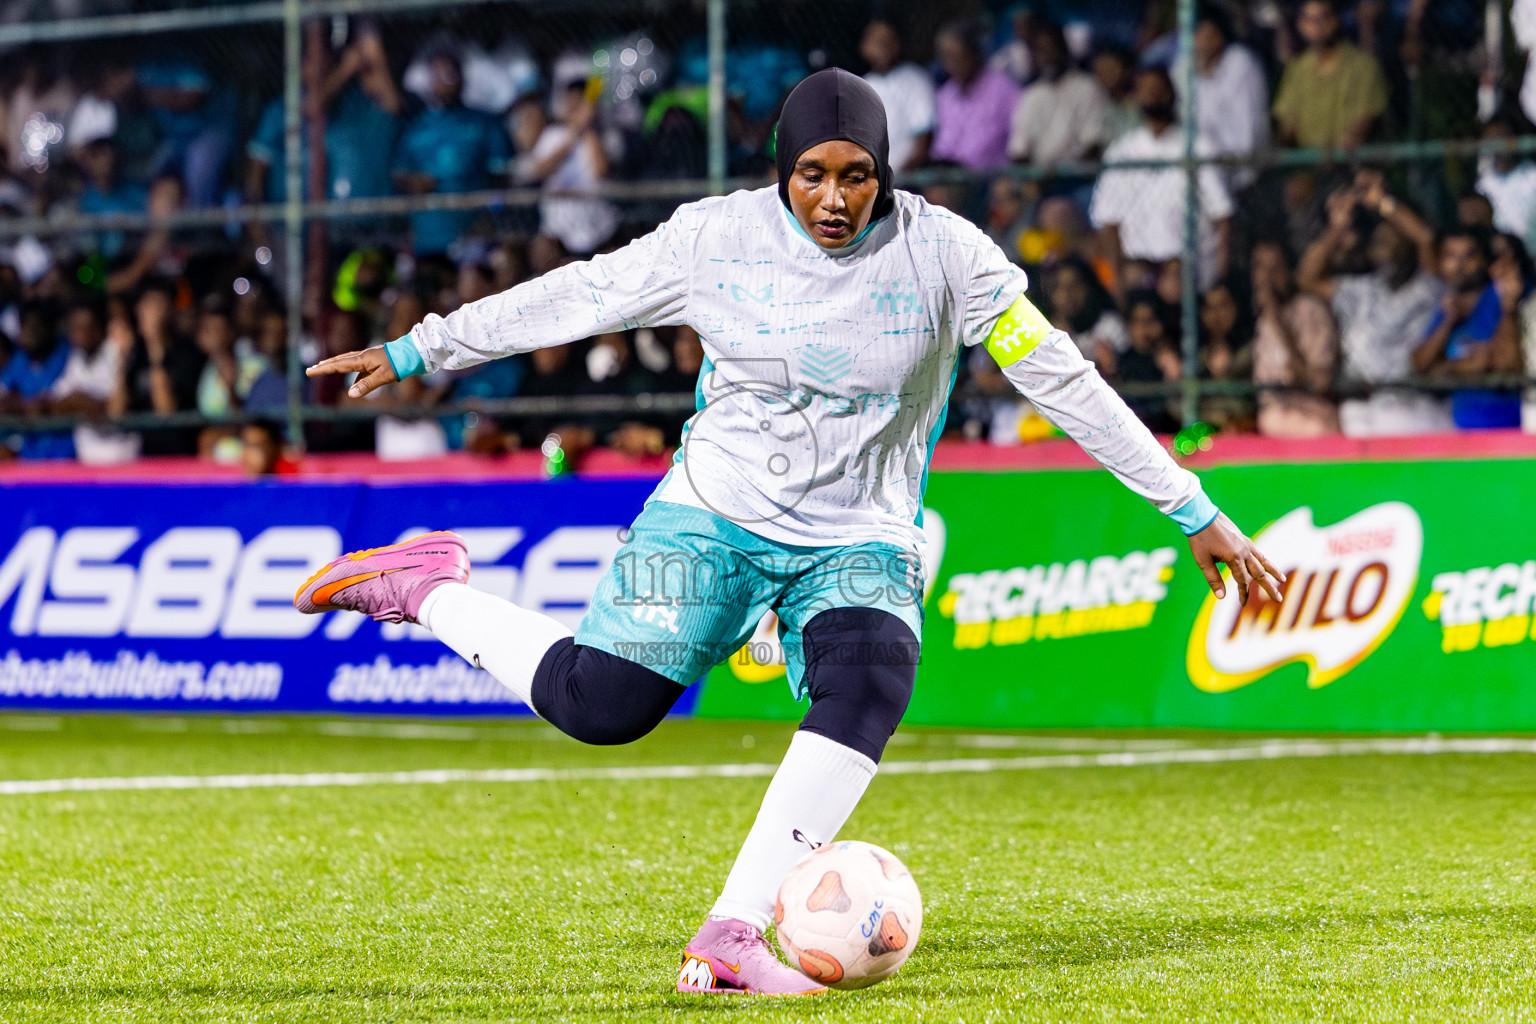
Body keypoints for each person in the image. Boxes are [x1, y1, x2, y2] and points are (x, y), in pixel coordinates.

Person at [296, 69, 1282, 996]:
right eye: (813, 173)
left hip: (859, 533)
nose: (835, 197)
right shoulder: (714, 240)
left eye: (857, 174)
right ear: (784, 171)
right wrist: (422, 346)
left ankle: (731, 932)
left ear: (886, 174)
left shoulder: (949, 256)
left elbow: (1060, 378)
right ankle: (426, 584)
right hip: (716, 511)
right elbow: (580, 295)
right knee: (600, 705)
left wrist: (1192, 508)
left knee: (871, 679)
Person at [1296, 169, 1451, 435]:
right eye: (1379, 241)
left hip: (1411, 403)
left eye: (1393, 240)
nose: (1385, 248)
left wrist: (1383, 202)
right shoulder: (1363, 288)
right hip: (1361, 403)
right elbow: (1306, 278)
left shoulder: (1428, 286)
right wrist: (1338, 227)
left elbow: (1425, 237)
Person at [1089, 67, 1233, 296]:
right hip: (1138, 266)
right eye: (1145, 90)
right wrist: (1118, 284)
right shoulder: (1122, 152)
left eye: (1159, 90)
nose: (1153, 96)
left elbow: (1223, 216)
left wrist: (1220, 278)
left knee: (1174, 284)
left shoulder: (1197, 146)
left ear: (1171, 94)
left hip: (1188, 266)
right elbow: (1107, 221)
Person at [392, 50, 511, 256]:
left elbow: (501, 179)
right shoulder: (415, 127)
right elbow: (399, 174)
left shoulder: (484, 123)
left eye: (450, 74)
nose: (444, 81)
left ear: (462, 79)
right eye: (438, 75)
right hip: (427, 235)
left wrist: (492, 214)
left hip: (475, 231)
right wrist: (414, 182)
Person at [1410, 228, 1523, 429]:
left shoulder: (1499, 298)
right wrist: (1448, 323)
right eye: (1451, 256)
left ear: (1483, 261)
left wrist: (1448, 368)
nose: (1459, 266)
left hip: (1507, 427)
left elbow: (1507, 365)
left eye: (1469, 256)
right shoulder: (1445, 306)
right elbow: (1419, 367)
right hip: (1460, 430)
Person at [1170, 4, 1270, 191]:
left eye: (1210, 35)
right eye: (1198, 35)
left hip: (1244, 174)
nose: (1203, 42)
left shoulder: (1241, 62)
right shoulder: (1181, 69)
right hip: (1197, 174)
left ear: (1223, 35)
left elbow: (1249, 134)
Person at [1250, 238, 1340, 437]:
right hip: (1270, 416)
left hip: (1311, 417)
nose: (1267, 278)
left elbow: (1316, 382)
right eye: (1261, 269)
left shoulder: (1310, 310)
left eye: (1275, 268)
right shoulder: (1261, 320)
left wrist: (1279, 324)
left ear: (1289, 270)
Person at [1272, 0, 1389, 150]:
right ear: (1300, 24)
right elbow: (1288, 127)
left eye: (1323, 17)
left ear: (1336, 20)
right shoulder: (1296, 70)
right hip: (1307, 166)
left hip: (1350, 163)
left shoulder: (1363, 66)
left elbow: (1361, 124)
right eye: (1309, 19)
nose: (1316, 26)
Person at [1006, 20, 1110, 169]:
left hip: (1076, 177)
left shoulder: (1087, 87)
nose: (1047, 56)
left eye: (1052, 48)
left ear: (1065, 49)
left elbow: (1093, 146)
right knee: (1002, 188)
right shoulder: (1030, 95)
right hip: (1038, 178)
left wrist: (1058, 173)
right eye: (1041, 50)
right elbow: (1019, 151)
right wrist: (1031, 180)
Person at [931, 21, 1020, 170]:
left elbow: (1018, 141)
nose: (952, 63)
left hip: (991, 177)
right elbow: (941, 148)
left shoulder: (1002, 88)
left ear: (973, 53)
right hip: (952, 179)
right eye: (947, 57)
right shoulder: (945, 95)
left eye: (958, 55)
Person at [859, 19, 935, 173]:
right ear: (864, 47)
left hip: (907, 177)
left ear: (898, 44)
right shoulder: (860, 86)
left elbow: (922, 144)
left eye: (887, 41)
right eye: (876, 42)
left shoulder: (914, 79)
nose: (882, 47)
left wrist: (893, 178)